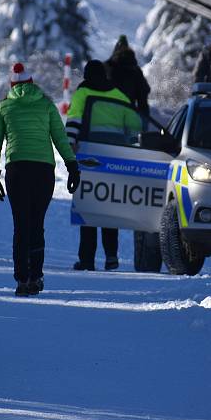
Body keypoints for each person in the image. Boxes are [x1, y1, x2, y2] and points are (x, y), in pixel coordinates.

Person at [0, 62, 79, 296]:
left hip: (17, 169)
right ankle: (35, 277)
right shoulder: (47, 106)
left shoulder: (3, 107)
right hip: (43, 171)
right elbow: (60, 137)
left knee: (21, 225)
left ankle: (22, 280)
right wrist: (72, 166)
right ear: (31, 83)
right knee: (37, 224)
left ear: (12, 85)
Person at [66, 60, 136, 272]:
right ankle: (112, 257)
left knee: (89, 204)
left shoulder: (82, 93)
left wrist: (69, 148)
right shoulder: (119, 95)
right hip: (115, 157)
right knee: (109, 205)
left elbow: (74, 122)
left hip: (89, 155)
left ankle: (87, 260)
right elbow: (133, 129)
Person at [105, 35, 151, 115]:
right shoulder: (136, 70)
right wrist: (143, 117)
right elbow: (143, 92)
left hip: (105, 115)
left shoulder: (106, 67)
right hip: (128, 116)